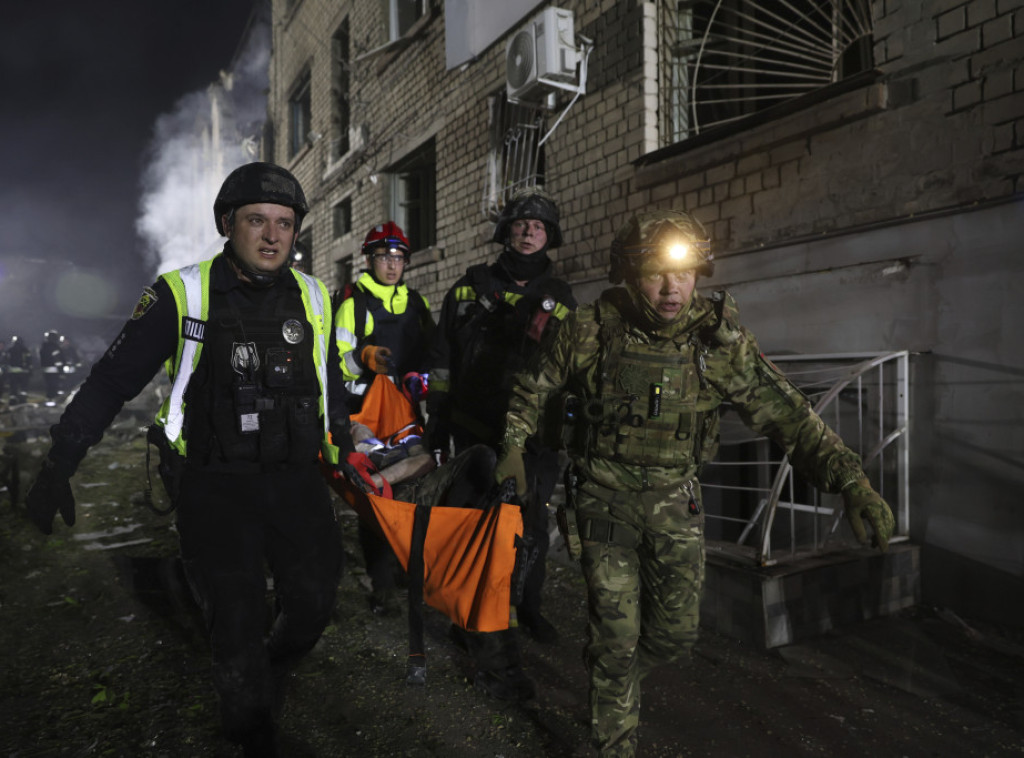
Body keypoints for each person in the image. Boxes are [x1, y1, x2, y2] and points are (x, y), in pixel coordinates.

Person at [494, 209, 896, 757]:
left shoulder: (716, 341)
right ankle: (614, 732)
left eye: (683, 273)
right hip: (603, 500)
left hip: (674, 504)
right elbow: (532, 387)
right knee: (616, 638)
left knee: (674, 636)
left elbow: (789, 416)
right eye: (656, 273)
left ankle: (616, 677)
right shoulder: (591, 328)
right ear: (630, 273)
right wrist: (513, 445)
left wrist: (852, 481)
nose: (671, 289)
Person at [24, 162, 360, 758]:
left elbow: (327, 380)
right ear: (227, 223)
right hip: (214, 486)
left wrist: (345, 447)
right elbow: (110, 382)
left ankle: (270, 669)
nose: (273, 236)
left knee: (313, 603)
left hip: (294, 482)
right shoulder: (180, 293)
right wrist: (60, 462)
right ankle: (250, 732)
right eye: (257, 220)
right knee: (236, 622)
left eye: (285, 223)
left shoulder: (313, 295)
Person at [426, 187, 577, 699]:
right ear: (506, 232)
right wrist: (437, 419)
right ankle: (465, 614)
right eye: (521, 224)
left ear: (549, 237)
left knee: (529, 528)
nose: (530, 232)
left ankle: (526, 608)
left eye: (539, 227)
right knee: (474, 525)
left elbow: (572, 368)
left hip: (534, 437)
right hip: (474, 428)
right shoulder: (470, 288)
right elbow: (442, 358)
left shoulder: (561, 296)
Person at [334, 221, 435, 614]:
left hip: (405, 413)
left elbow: (430, 354)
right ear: (368, 260)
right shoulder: (354, 306)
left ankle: (405, 567)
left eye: (398, 257)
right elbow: (334, 368)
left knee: (414, 488)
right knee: (375, 501)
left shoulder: (416, 305)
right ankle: (382, 583)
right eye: (383, 257)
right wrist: (361, 359)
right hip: (363, 414)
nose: (392, 265)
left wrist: (421, 379)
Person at [39, 329, 68, 402]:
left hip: (45, 369)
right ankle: (53, 399)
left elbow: (42, 359)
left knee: (49, 385)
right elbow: (59, 360)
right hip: (55, 369)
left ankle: (49, 398)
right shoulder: (55, 347)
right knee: (54, 385)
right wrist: (61, 370)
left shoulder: (44, 347)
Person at [4, 334, 34, 401]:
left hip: (12, 372)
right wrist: (30, 370)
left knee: (13, 387)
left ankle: (13, 399)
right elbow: (29, 361)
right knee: (23, 387)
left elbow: (6, 360)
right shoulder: (25, 350)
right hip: (23, 372)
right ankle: (23, 399)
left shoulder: (10, 350)